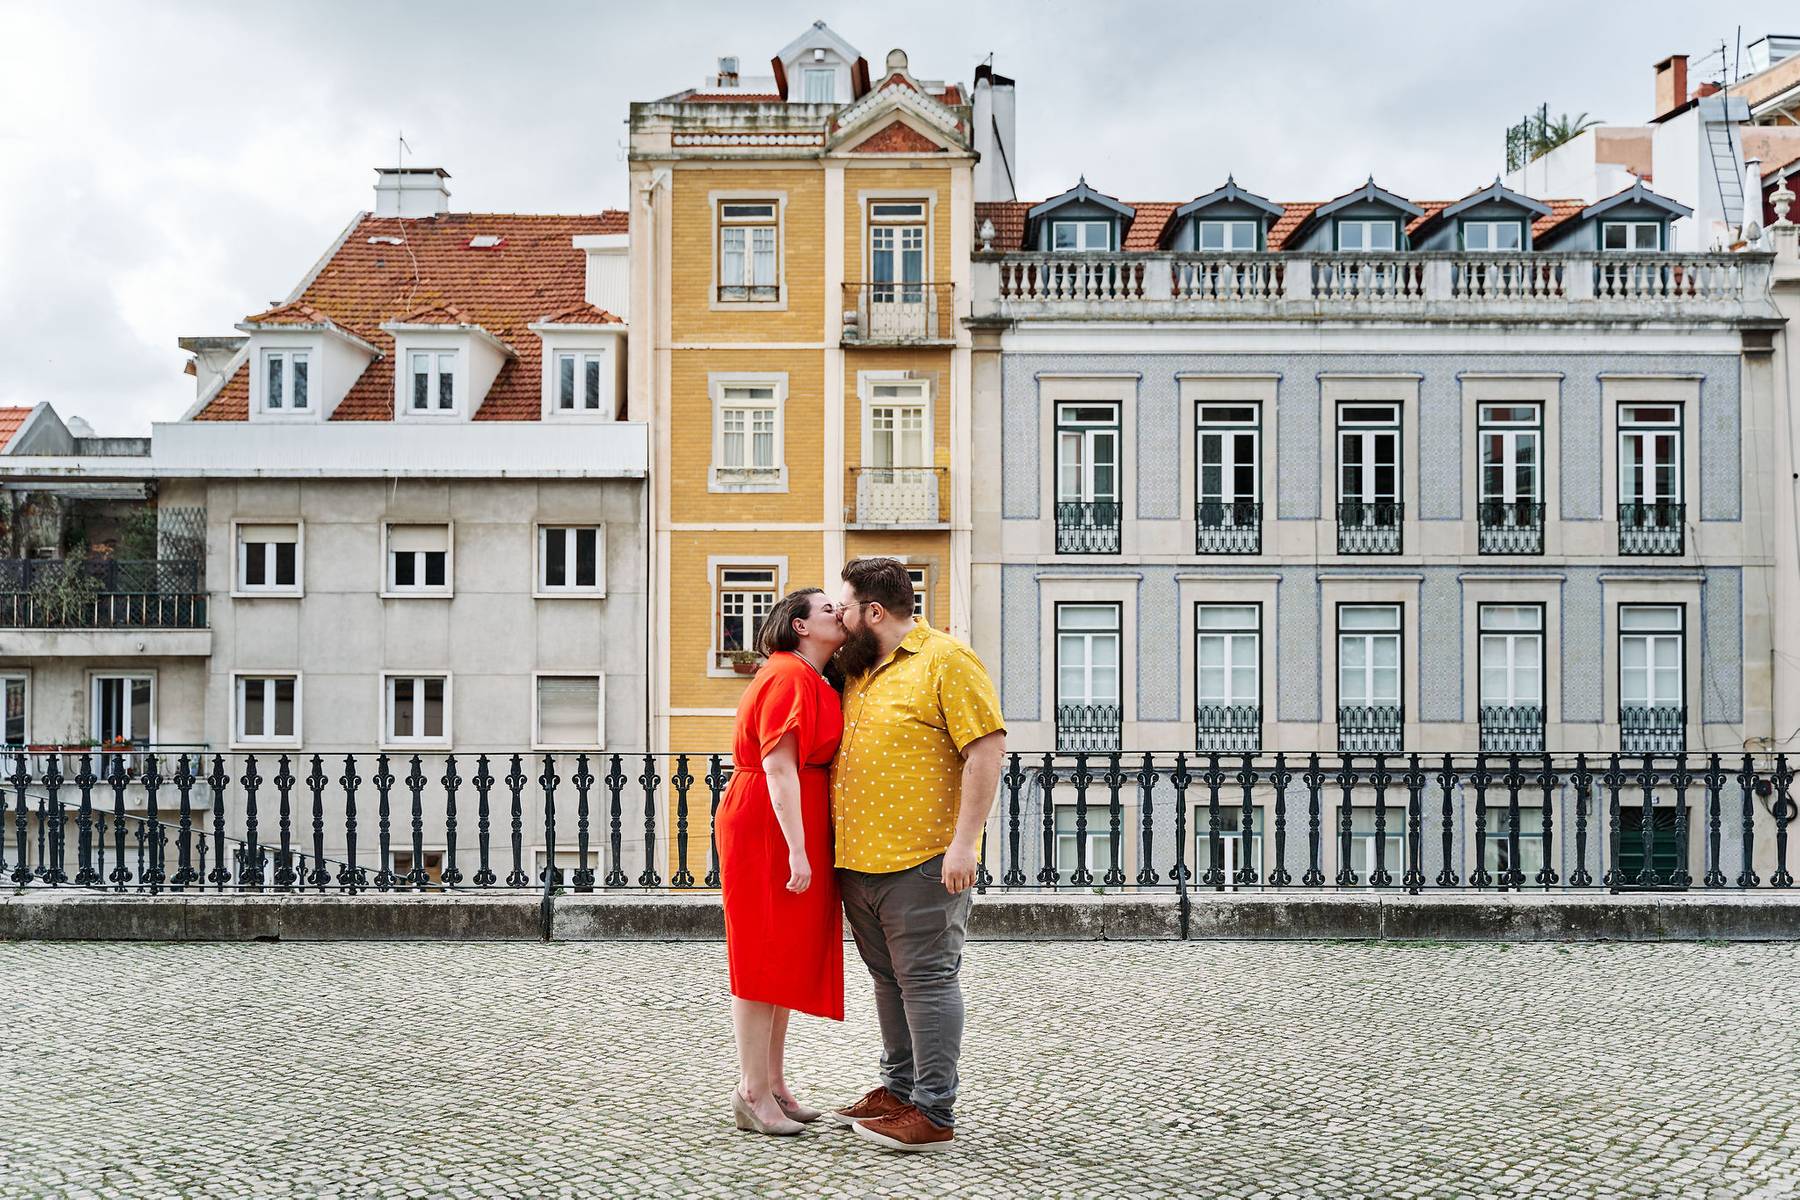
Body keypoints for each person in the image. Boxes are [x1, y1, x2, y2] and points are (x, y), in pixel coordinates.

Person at [828, 557, 1006, 1153]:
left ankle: (933, 1110)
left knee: (927, 982)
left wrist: (964, 844)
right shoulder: (858, 669)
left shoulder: (946, 660)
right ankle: (899, 1090)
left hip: (923, 860)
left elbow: (986, 751)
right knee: (887, 982)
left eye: (845, 607)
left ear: (873, 612)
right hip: (859, 863)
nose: (839, 617)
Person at [715, 588, 846, 1137]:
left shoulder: (808, 675)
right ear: (799, 626)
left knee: (781, 956)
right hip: (770, 824)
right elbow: (779, 768)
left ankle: (772, 1082)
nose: (839, 613)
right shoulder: (788, 676)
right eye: (827, 610)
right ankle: (751, 1090)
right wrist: (797, 847)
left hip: (789, 819)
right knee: (760, 954)